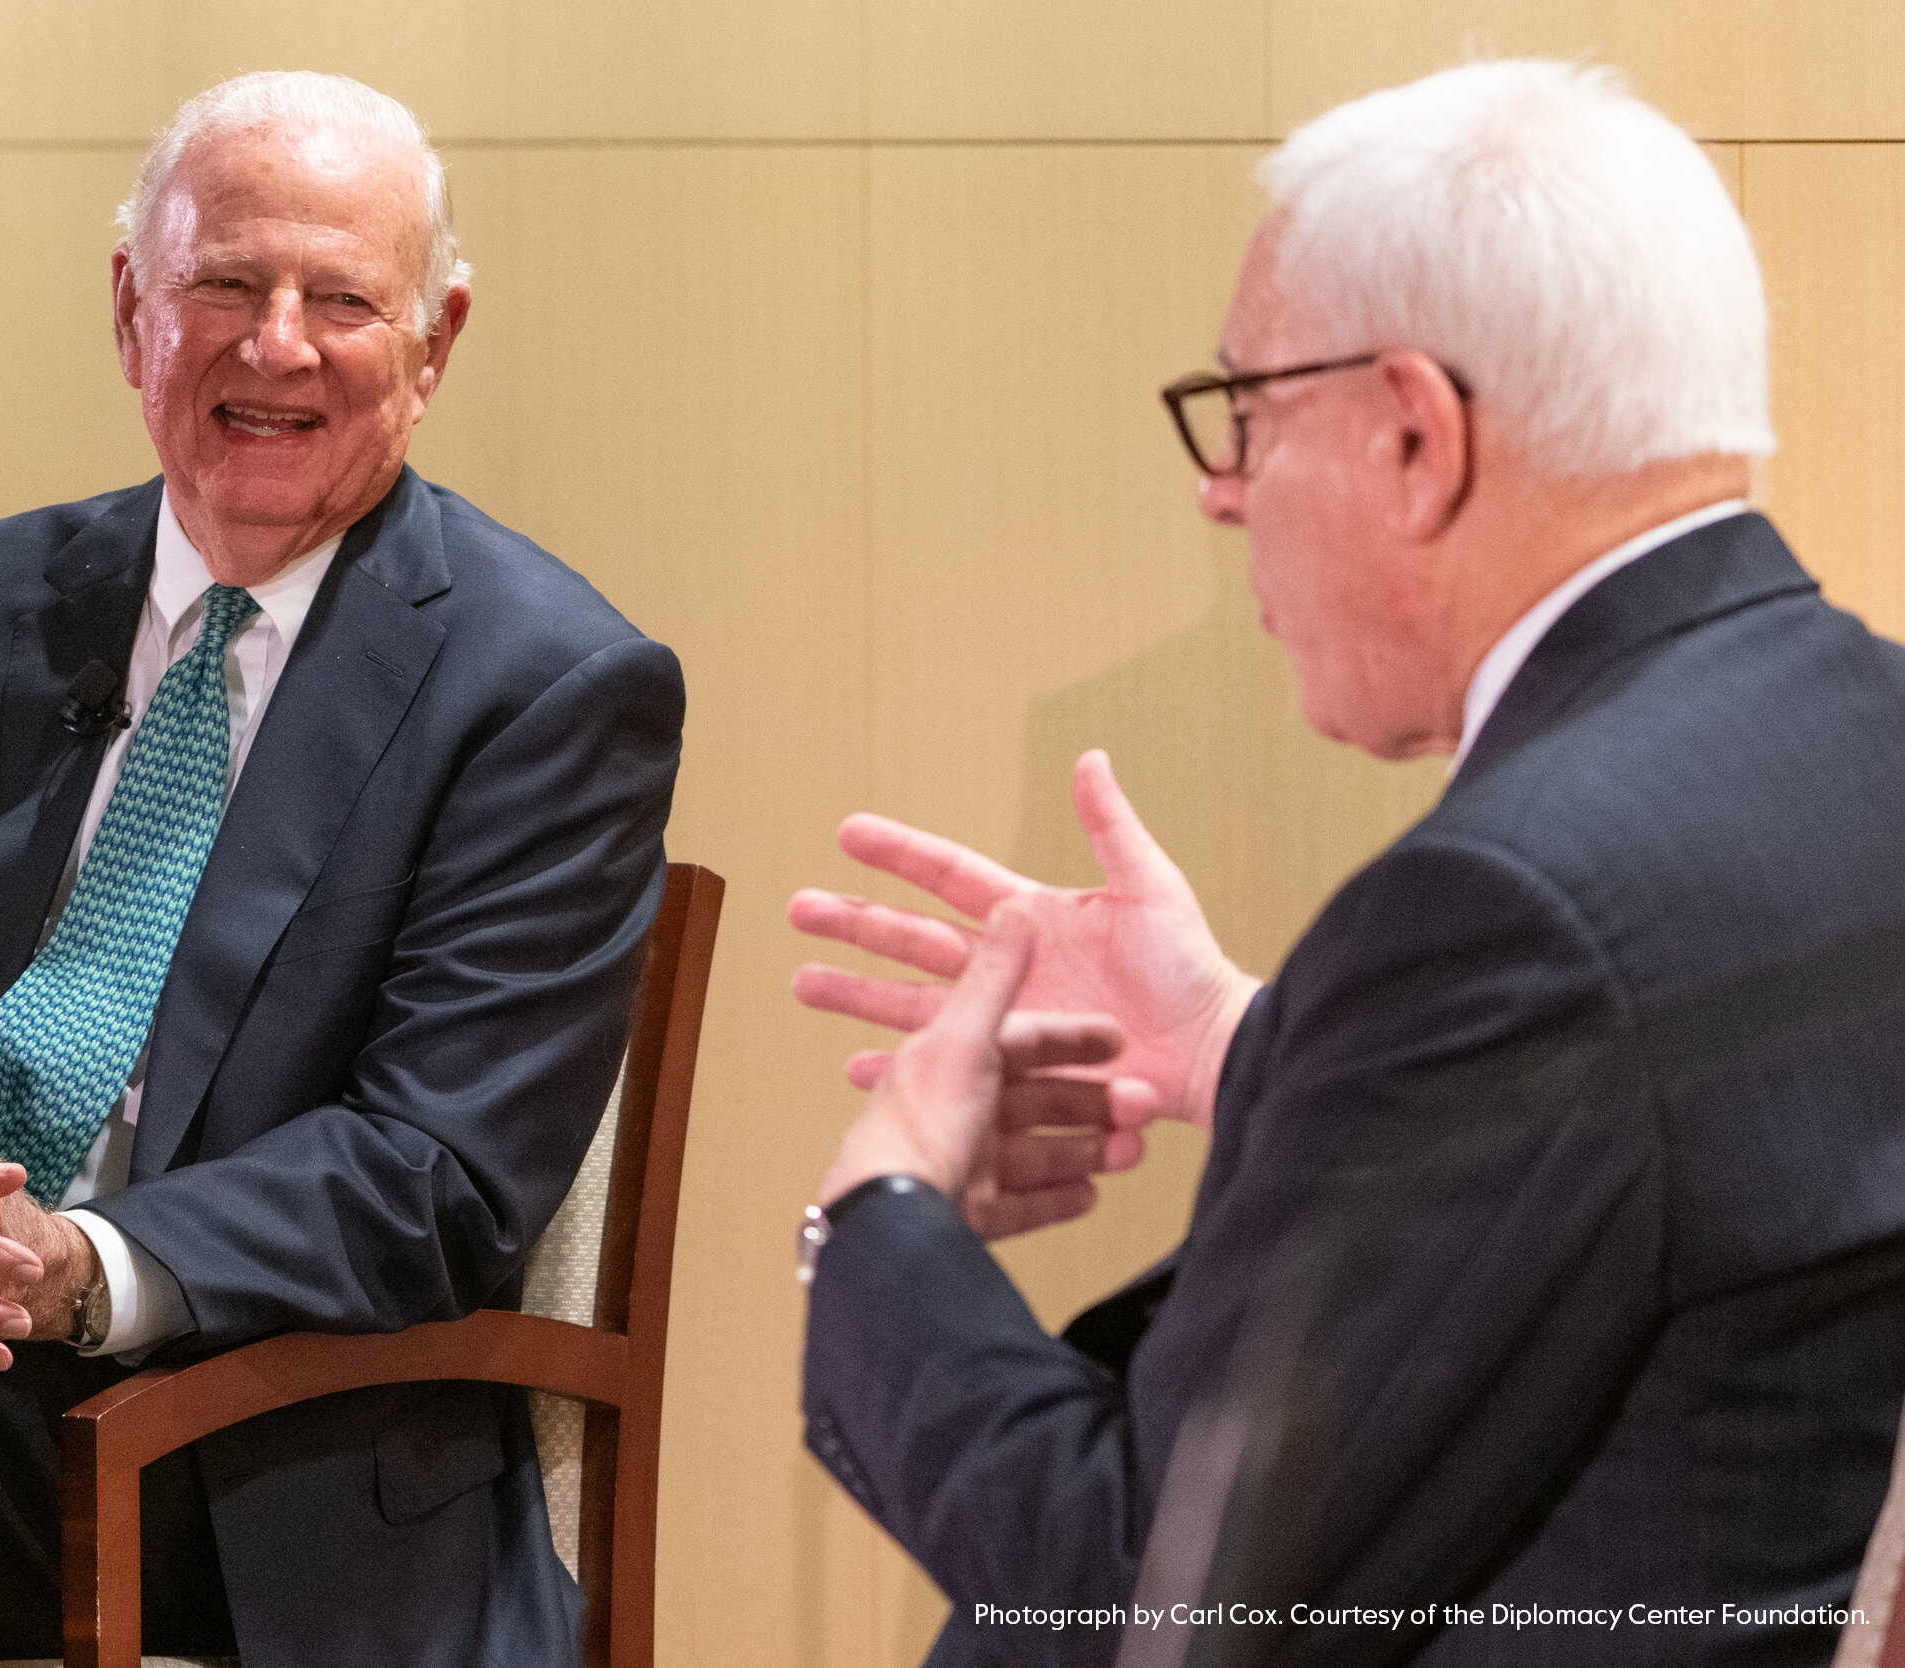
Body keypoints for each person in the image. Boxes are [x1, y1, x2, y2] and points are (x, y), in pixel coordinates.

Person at [790, 59, 1905, 1668]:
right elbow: (1688, 1148)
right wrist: (1253, 1047)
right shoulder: (1859, 737)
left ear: (1412, 433)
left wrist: (878, 1210)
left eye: (1247, 414)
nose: (1220, 493)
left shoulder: (1515, 909)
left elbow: (1145, 1604)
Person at [0, 70, 682, 1667]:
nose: (277, 344)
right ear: (131, 307)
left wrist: (61, 1268)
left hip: (257, 1471)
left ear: (434, 345)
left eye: (343, 298)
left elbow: (437, 1176)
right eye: (224, 283)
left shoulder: (545, 685)